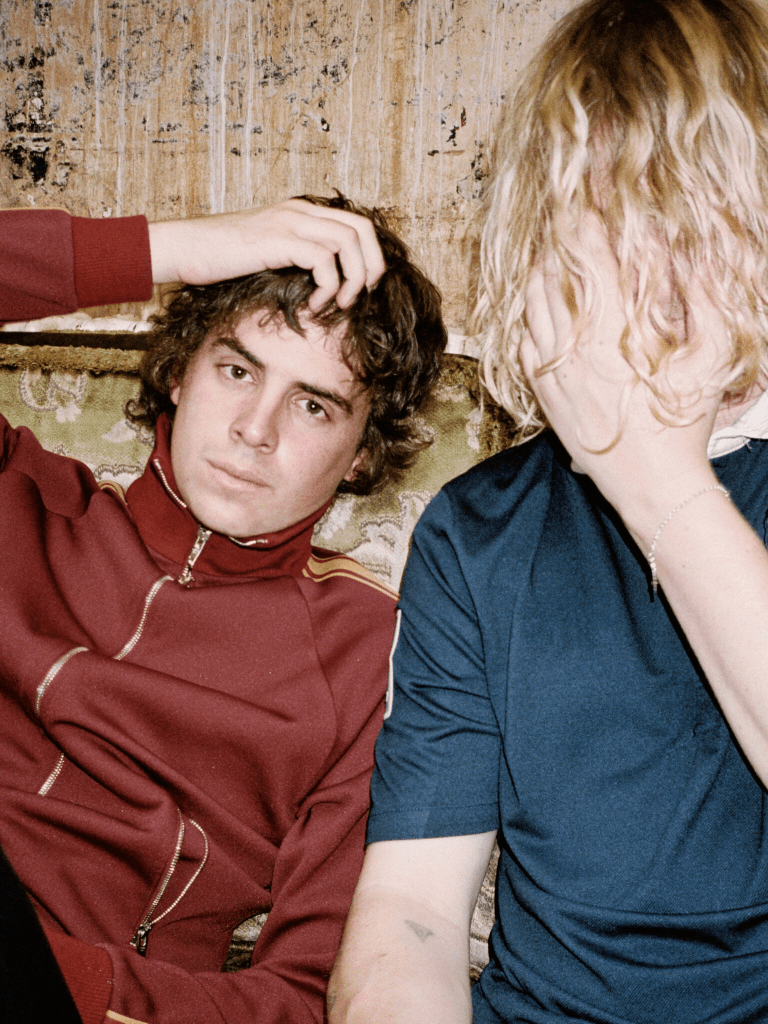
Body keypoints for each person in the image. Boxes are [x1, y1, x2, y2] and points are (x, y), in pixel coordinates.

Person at [328, 2, 768, 1022]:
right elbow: (412, 916)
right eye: (593, 216)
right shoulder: (477, 532)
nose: (634, 267)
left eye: (676, 213)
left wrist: (655, 478)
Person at [0, 194, 446, 1024]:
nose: (253, 430)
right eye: (237, 370)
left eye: (312, 405)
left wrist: (79, 984)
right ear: (179, 371)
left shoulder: (370, 655)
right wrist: (171, 250)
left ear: (362, 454)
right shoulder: (23, 498)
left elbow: (304, 996)